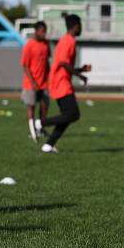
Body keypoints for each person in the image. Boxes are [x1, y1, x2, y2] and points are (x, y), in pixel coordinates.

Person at [34, 14, 91, 153]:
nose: (81, 28)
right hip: (61, 82)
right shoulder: (69, 41)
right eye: (81, 25)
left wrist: (79, 69)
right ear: (76, 26)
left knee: (68, 116)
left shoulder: (65, 40)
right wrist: (80, 75)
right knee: (73, 114)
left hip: (60, 80)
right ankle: (40, 123)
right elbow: (63, 63)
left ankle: (49, 145)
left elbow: (63, 64)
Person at [20, 21, 50, 141]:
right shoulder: (29, 45)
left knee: (45, 104)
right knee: (31, 106)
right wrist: (33, 82)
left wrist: (49, 77)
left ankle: (40, 128)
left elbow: (47, 61)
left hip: (43, 82)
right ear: (36, 31)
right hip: (30, 83)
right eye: (42, 31)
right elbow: (25, 65)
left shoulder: (46, 44)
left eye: (45, 31)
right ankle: (32, 132)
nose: (44, 34)